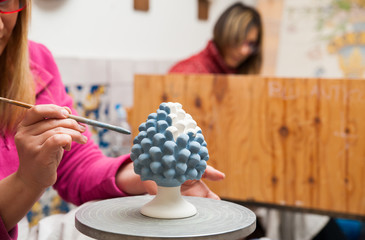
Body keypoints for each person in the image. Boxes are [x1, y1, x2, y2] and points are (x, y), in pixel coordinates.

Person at [0, 0, 225, 239]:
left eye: (4, 2)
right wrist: (27, 181)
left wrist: (146, 172)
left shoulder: (35, 63)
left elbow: (76, 165)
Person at [168, 2, 348, 240]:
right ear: (225, 33)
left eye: (251, 44)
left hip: (245, 176)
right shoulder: (188, 75)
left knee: (299, 203)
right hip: (211, 181)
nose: (244, 50)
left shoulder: (240, 79)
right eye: (240, 40)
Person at [169, 2, 262, 74]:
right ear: (223, 34)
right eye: (237, 40)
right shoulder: (187, 72)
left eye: (251, 44)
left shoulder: (240, 76)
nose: (244, 51)